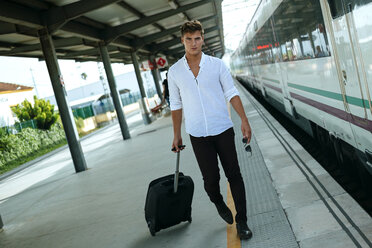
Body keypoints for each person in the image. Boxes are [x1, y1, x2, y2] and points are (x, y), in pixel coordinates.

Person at [168, 20, 253, 240]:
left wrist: (244, 119)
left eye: (197, 38)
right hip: (197, 134)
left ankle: (242, 221)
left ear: (203, 38)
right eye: (189, 39)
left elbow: (232, 93)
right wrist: (176, 134)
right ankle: (217, 201)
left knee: (234, 174)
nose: (193, 43)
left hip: (223, 128)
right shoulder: (175, 71)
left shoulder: (217, 65)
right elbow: (175, 106)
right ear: (182, 40)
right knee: (210, 181)